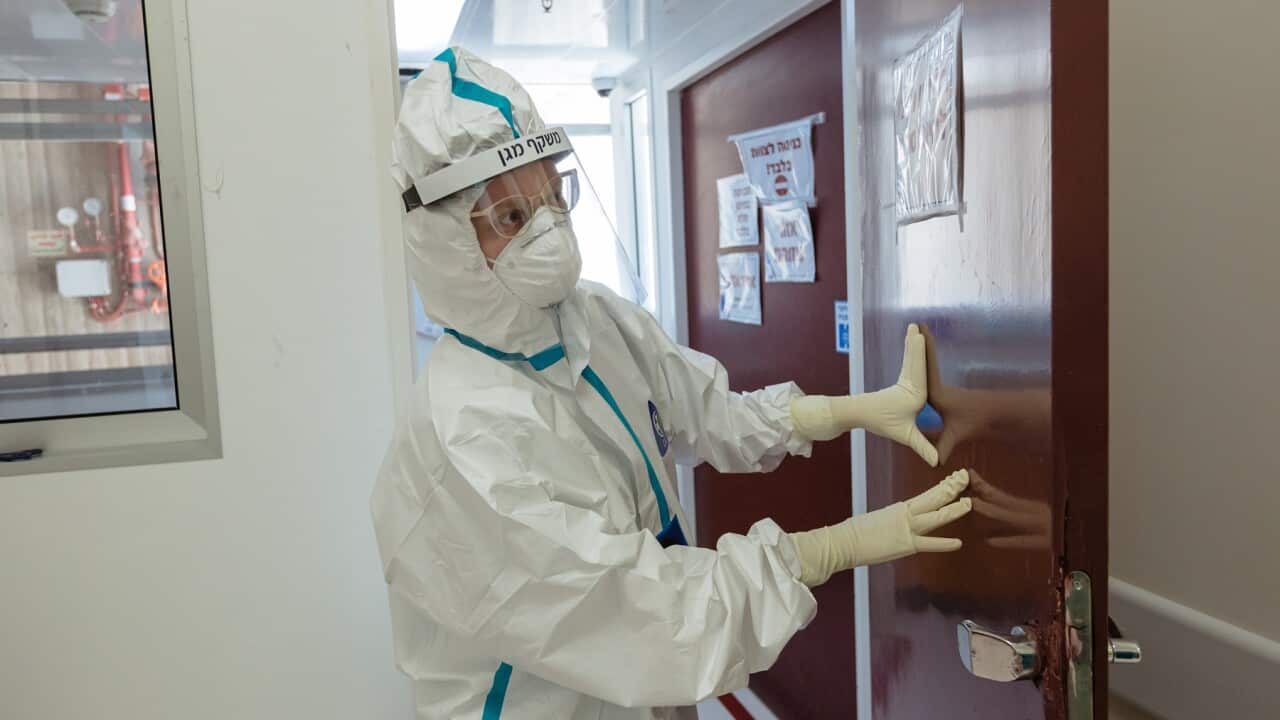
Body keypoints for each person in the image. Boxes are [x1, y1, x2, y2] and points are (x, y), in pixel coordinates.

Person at [371, 47, 971, 720]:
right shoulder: (465, 437)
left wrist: (847, 411)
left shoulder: (590, 319)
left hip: (644, 686)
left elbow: (708, 413)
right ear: (447, 245)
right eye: (511, 217)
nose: (547, 229)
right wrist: (830, 549)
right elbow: (632, 604)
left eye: (550, 196)